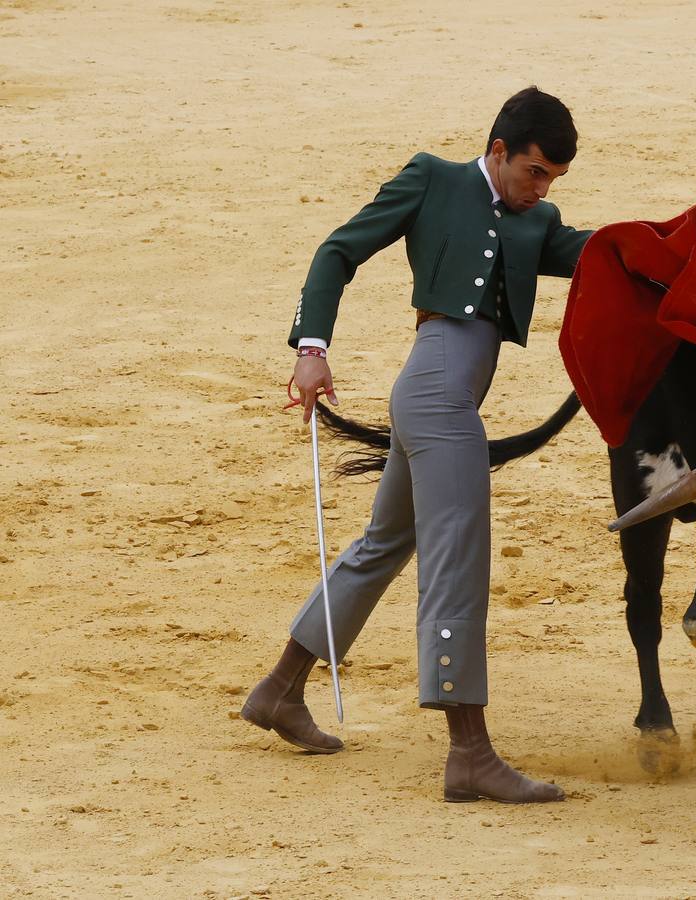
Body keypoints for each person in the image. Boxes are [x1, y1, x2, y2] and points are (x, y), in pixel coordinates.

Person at [241, 87, 592, 804]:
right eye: (534, 171)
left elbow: (602, 255)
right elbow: (339, 250)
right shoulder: (433, 177)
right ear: (498, 150)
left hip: (438, 398)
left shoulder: (540, 221)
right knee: (457, 548)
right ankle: (469, 753)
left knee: (384, 541)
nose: (542, 189)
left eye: (554, 178)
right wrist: (312, 347)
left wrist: (678, 242)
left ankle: (280, 690)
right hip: (437, 396)